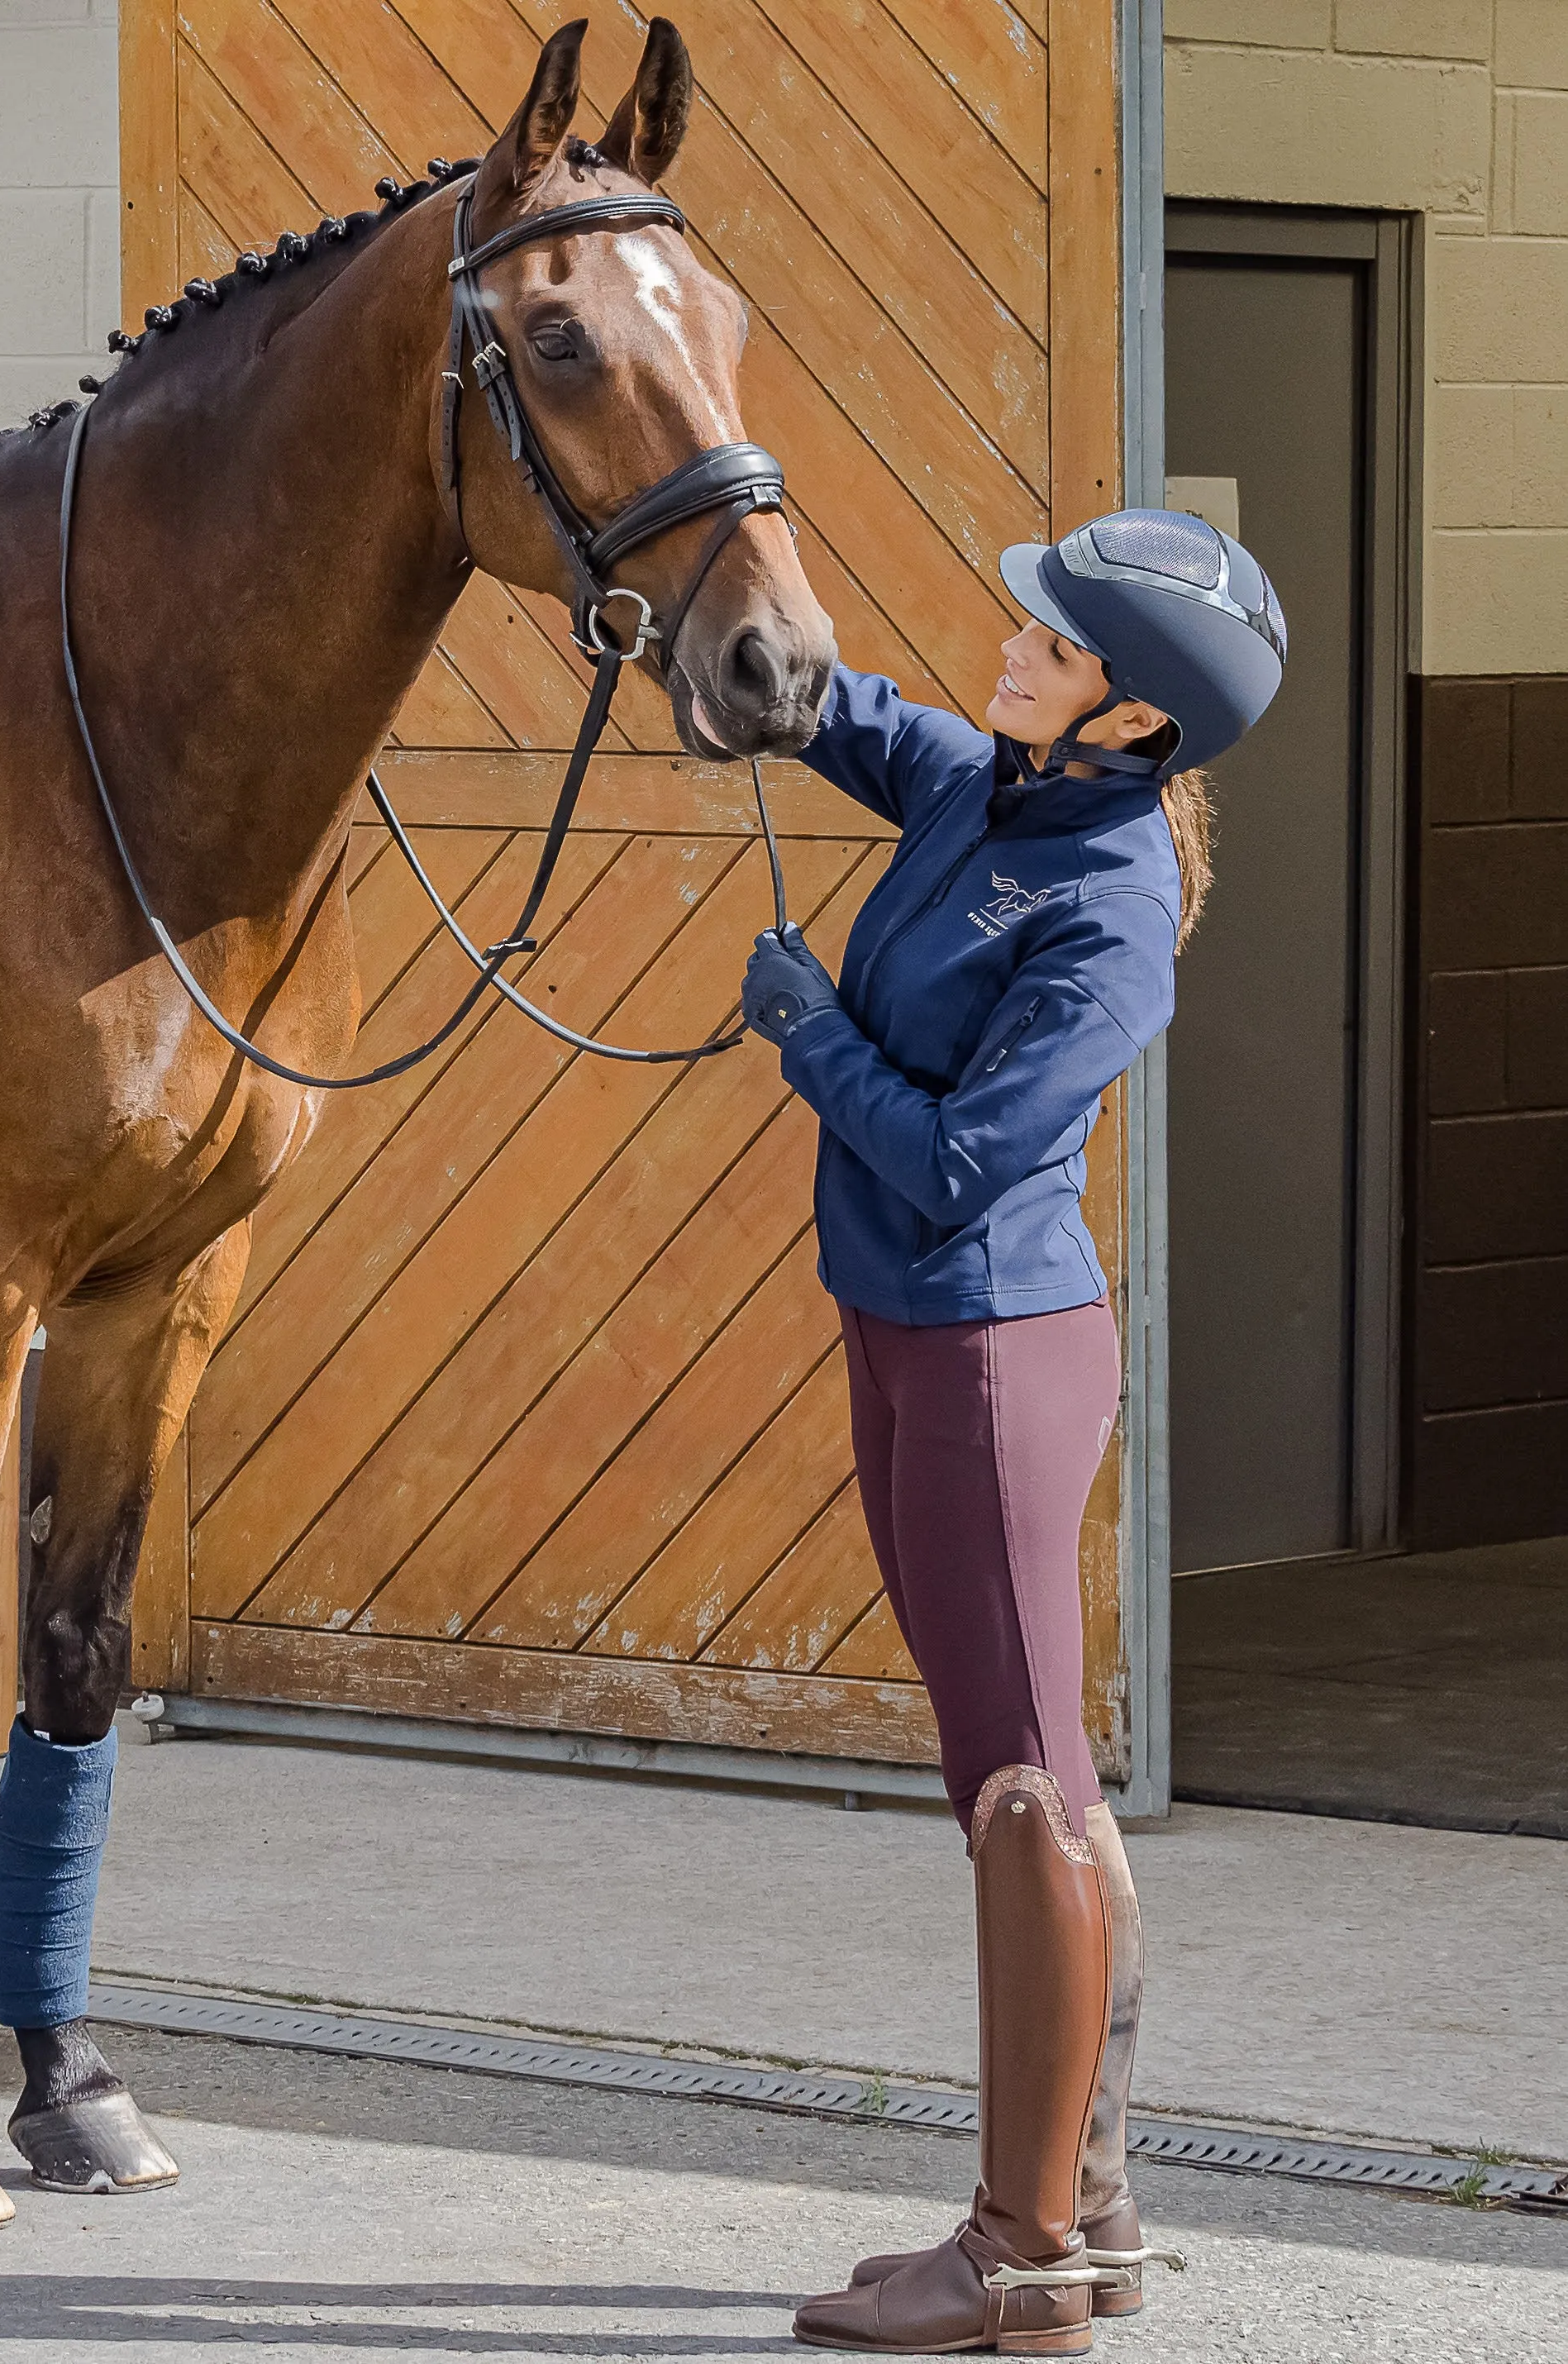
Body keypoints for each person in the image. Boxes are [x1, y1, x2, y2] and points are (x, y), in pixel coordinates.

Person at [740, 509, 1285, 2355]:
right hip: (897, 1332)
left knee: (1024, 1788)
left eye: (1049, 646)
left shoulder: (1110, 909)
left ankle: (1019, 2248)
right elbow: (835, 706)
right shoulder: (991, 787)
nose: (1008, 648)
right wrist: (705, 565)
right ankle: (1096, 2209)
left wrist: (810, 1034)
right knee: (1003, 1771)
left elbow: (965, 1163)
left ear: (1129, 720)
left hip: (989, 1351)